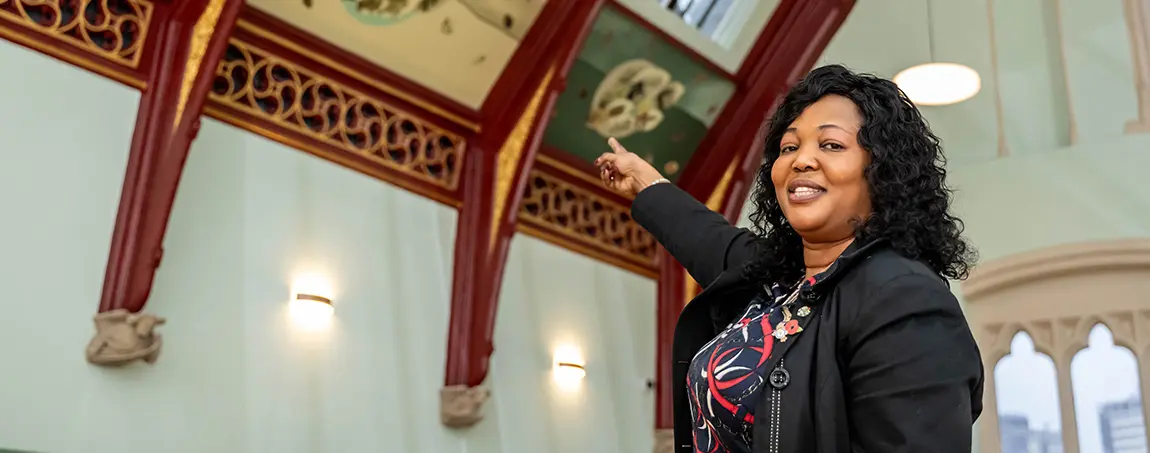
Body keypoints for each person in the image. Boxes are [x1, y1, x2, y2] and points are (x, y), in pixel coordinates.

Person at [594, 64, 984, 453]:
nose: (801, 160)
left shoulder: (905, 301)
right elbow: (707, 238)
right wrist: (646, 183)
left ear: (883, 171)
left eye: (831, 145)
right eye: (789, 147)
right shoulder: (777, 277)